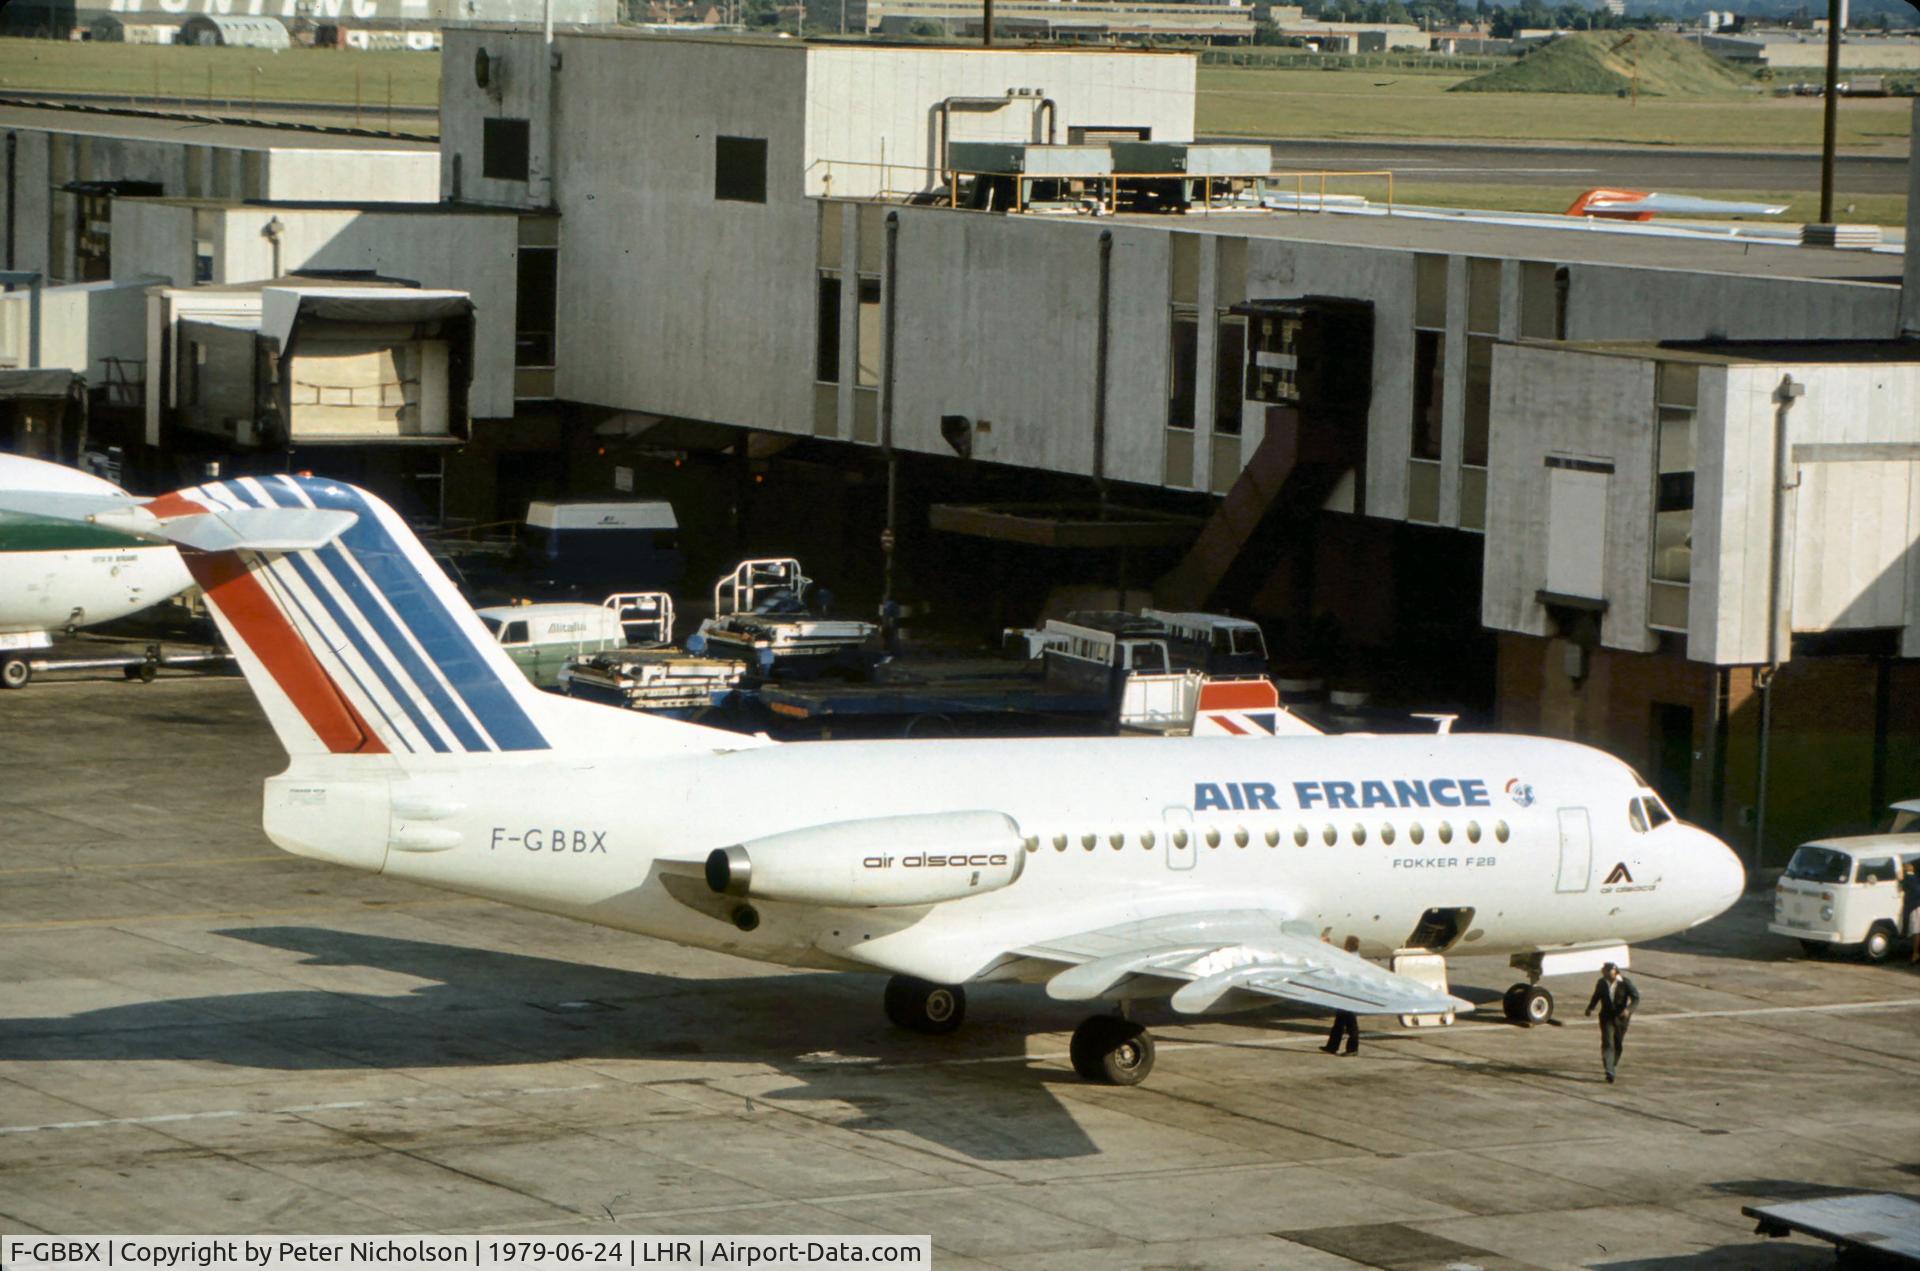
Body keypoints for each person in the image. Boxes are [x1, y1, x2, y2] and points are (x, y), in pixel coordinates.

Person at [1584, 961, 1640, 1084]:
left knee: (1617, 1044)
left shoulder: (1625, 983)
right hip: (1606, 1017)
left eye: (1606, 970)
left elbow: (1636, 997)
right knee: (1607, 1043)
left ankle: (1612, 1064)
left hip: (1621, 1018)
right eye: (1603, 970)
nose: (1603, 972)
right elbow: (1596, 996)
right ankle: (1609, 1070)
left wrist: (1628, 1010)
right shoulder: (1601, 983)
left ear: (1614, 971)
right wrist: (1590, 1008)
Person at [1900, 861, 1920, 964]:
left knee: (1916, 930)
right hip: (1917, 905)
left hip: (1915, 906)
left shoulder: (1908, 879)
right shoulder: (1916, 877)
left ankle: (1915, 954)